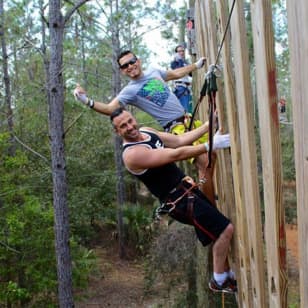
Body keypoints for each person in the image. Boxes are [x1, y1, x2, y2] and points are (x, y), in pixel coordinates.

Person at [109, 107, 237, 293]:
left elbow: (178, 141)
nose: (129, 127)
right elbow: (174, 154)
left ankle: (226, 275)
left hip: (186, 190)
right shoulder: (132, 155)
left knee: (217, 230)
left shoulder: (147, 132)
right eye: (123, 126)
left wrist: (209, 125)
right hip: (179, 202)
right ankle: (219, 279)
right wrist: (209, 145)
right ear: (117, 131)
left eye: (130, 121)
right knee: (226, 229)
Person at [73, 50, 216, 204]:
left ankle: (206, 198)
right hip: (176, 128)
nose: (130, 66)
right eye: (125, 65)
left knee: (211, 157)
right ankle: (210, 209)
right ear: (122, 71)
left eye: (132, 61)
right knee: (204, 163)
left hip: (189, 120)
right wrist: (87, 101)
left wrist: (195, 66)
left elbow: (173, 74)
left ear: (138, 61)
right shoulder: (130, 91)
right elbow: (109, 109)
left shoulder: (154, 72)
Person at [170, 44, 193, 113]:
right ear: (176, 53)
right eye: (179, 51)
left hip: (187, 87)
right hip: (180, 87)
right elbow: (179, 72)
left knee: (188, 110)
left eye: (182, 51)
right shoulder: (174, 63)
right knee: (184, 111)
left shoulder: (185, 62)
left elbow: (191, 74)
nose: (181, 53)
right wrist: (179, 60)